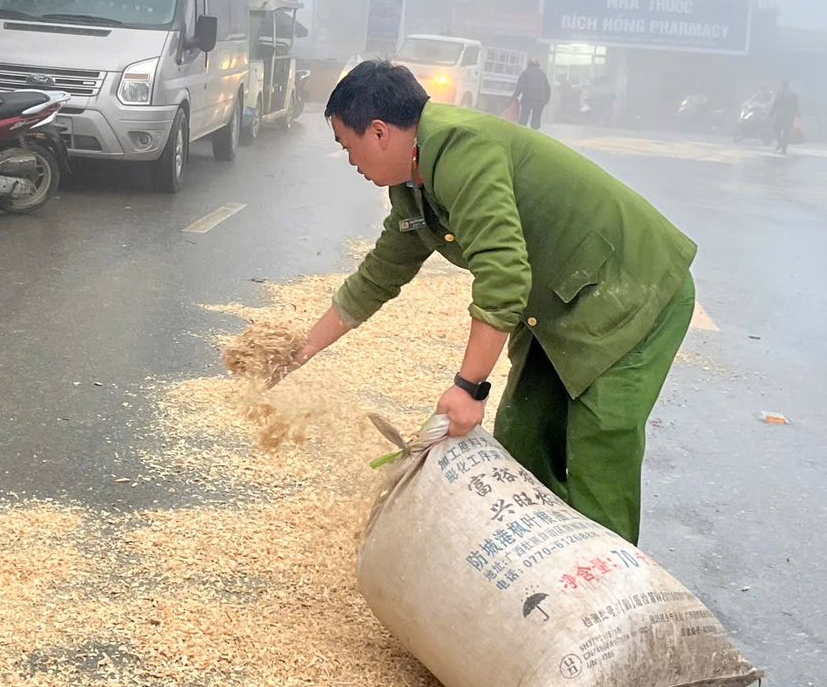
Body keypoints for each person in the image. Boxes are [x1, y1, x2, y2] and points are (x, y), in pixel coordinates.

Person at [288, 62, 696, 544]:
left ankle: (603, 587)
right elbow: (379, 275)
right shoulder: (412, 183)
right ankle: (538, 561)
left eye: (346, 145)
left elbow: (503, 274)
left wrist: (468, 387)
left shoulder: (463, 150)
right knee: (524, 432)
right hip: (561, 301)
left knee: (598, 448)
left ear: (378, 132)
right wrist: (297, 353)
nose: (349, 159)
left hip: (630, 289)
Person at [510, 56, 552, 131]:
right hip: (540, 101)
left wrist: (514, 96)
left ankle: (521, 133)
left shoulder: (525, 73)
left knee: (524, 118)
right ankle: (534, 133)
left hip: (527, 99)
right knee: (536, 118)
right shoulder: (543, 74)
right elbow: (548, 88)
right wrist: (546, 100)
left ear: (529, 64)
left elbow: (520, 86)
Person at [769, 80, 800, 154]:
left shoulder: (792, 95)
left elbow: (795, 106)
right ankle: (780, 143)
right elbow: (774, 105)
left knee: (785, 133)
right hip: (780, 116)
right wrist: (771, 113)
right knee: (776, 130)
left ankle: (784, 148)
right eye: (782, 86)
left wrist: (798, 114)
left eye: (784, 86)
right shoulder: (779, 95)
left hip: (787, 117)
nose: (783, 87)